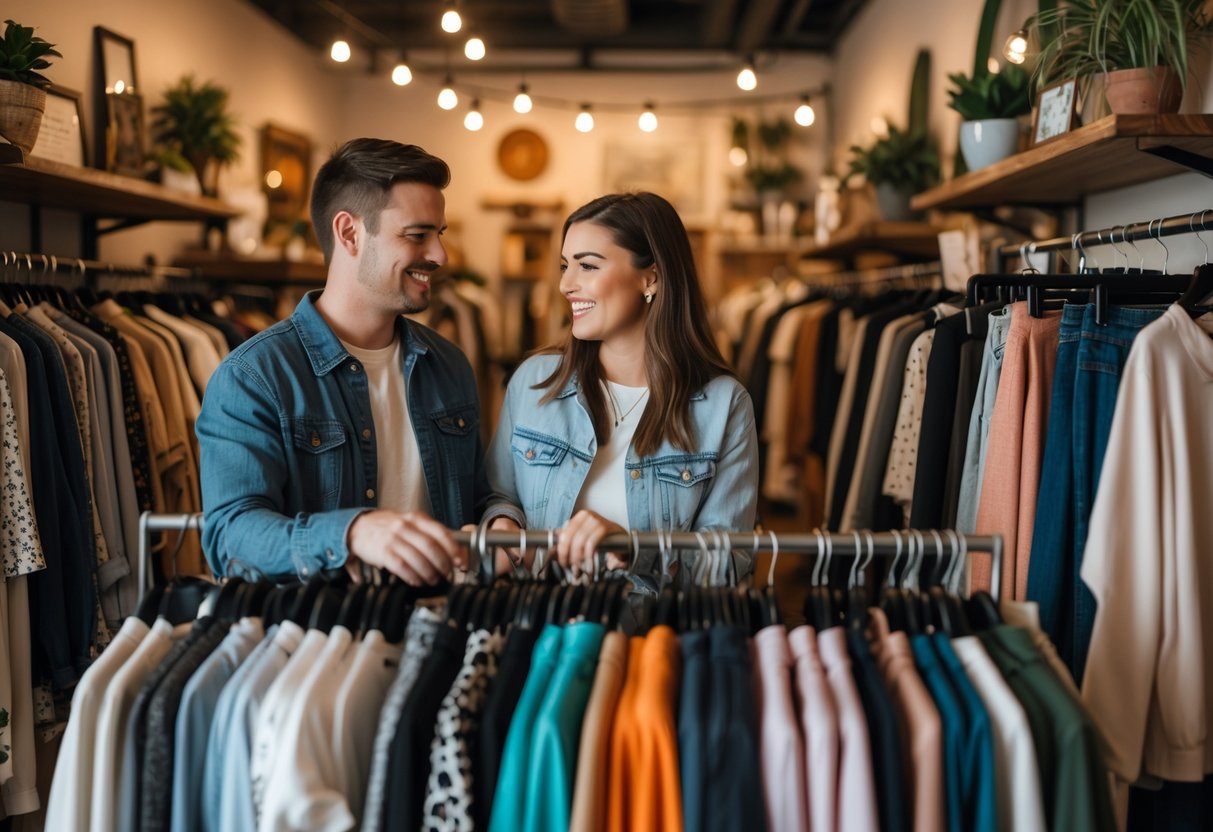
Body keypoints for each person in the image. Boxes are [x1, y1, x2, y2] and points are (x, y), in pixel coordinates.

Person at [197, 138, 490, 585]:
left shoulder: (448, 366)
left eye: (440, 235)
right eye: (418, 235)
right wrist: (351, 532)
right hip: (317, 639)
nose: (440, 256)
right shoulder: (255, 377)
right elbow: (229, 535)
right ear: (350, 233)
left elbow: (476, 500)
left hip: (442, 630)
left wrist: (500, 522)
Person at [483, 191, 759, 587]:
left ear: (651, 277)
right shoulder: (534, 382)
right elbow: (499, 496)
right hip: (540, 624)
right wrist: (505, 527)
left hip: (651, 635)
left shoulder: (723, 405)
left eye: (587, 266)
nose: (565, 284)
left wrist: (633, 548)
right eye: (564, 266)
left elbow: (728, 563)